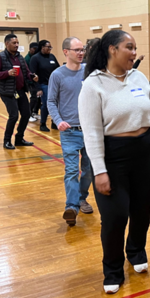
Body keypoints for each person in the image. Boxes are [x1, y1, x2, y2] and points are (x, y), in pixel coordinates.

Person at [78, 30, 150, 294]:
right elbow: (92, 132)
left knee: (142, 210)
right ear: (111, 50)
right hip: (113, 155)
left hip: (147, 151)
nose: (134, 52)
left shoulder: (139, 77)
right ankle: (113, 269)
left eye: (135, 47)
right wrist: (99, 170)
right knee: (115, 216)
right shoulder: (93, 85)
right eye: (128, 47)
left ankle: (136, 250)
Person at [48, 37, 94, 226]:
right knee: (72, 171)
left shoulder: (89, 72)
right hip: (70, 132)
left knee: (89, 170)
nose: (81, 53)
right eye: (76, 50)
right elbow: (51, 101)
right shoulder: (57, 75)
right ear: (66, 52)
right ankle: (72, 207)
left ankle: (82, 197)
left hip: (90, 130)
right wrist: (58, 121)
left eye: (82, 49)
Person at [0, 34, 38, 150]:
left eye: (17, 43)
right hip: (8, 92)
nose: (16, 45)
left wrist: (32, 76)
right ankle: (7, 140)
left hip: (20, 91)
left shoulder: (20, 57)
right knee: (14, 115)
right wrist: (7, 73)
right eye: (14, 43)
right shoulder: (0, 57)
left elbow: (26, 71)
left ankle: (19, 138)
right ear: (7, 43)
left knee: (26, 114)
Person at [29, 40, 60, 132]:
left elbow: (58, 69)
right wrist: (37, 88)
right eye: (48, 47)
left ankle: (54, 123)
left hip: (53, 85)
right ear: (42, 47)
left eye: (51, 47)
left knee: (57, 104)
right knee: (46, 104)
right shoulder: (35, 58)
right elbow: (32, 75)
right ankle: (43, 124)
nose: (50, 49)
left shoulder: (52, 57)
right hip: (43, 85)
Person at [25, 42, 40, 122]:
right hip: (30, 82)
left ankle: (35, 112)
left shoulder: (37, 57)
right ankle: (29, 114)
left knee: (38, 98)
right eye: (34, 48)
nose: (35, 50)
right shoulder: (27, 59)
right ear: (30, 49)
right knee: (33, 98)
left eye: (36, 48)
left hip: (37, 80)